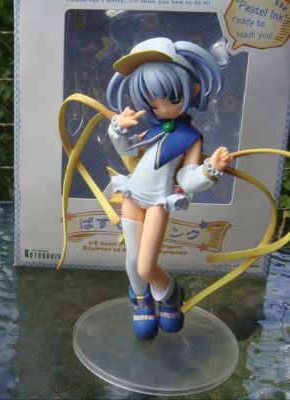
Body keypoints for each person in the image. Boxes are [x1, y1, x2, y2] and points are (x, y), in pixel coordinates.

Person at [106, 37, 233, 340]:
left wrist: (209, 170)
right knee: (132, 260)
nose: (161, 108)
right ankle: (141, 300)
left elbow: (187, 179)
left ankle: (169, 293)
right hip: (132, 196)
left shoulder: (190, 137)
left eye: (170, 98)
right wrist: (119, 129)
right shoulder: (150, 129)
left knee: (146, 265)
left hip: (158, 202)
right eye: (152, 102)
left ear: (193, 90)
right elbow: (128, 152)